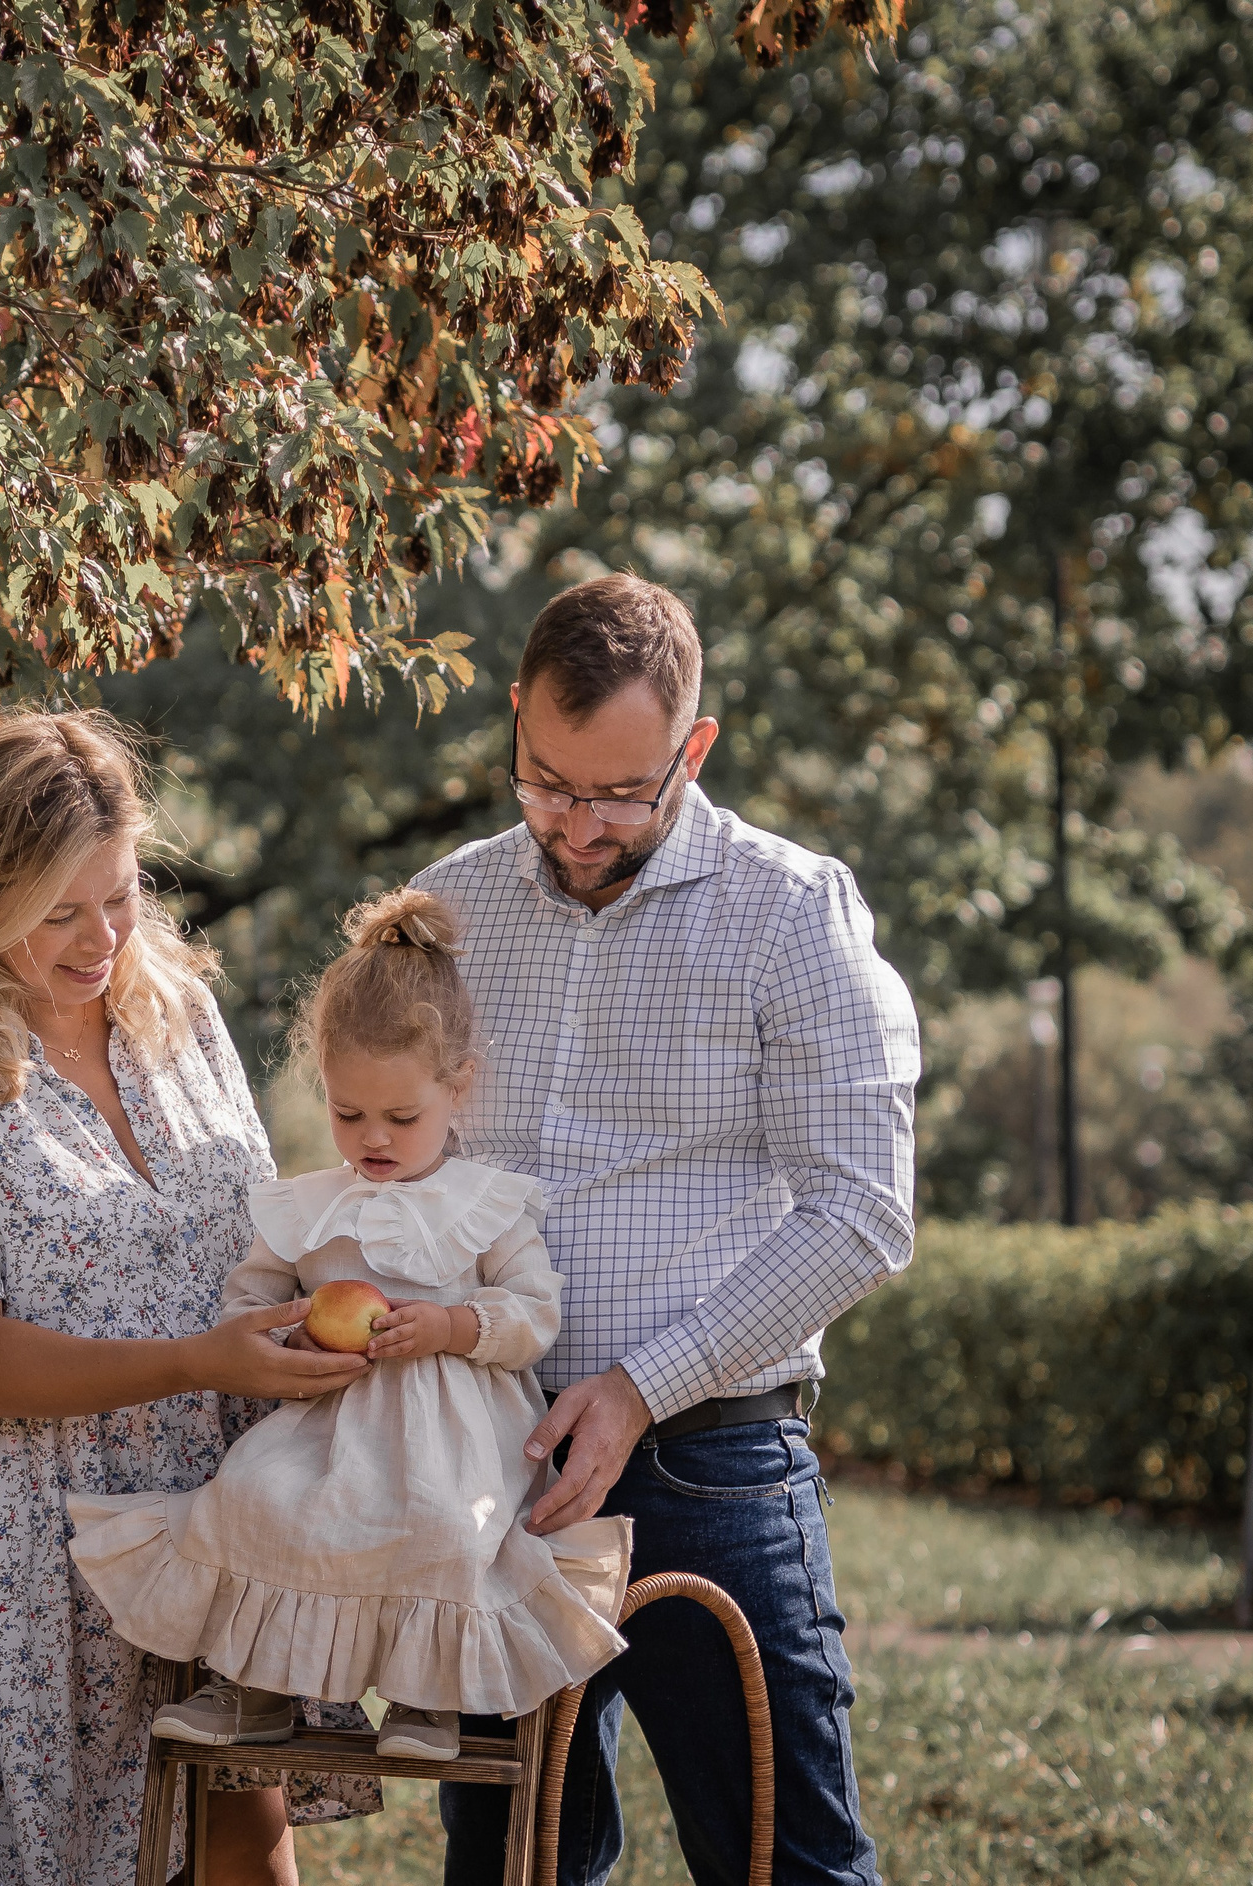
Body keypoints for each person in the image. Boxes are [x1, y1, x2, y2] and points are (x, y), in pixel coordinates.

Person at [418, 574, 921, 1885]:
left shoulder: (792, 909)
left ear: (692, 749)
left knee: (786, 1863)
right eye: (548, 781)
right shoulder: (444, 911)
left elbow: (863, 1207)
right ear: (516, 716)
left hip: (714, 1467)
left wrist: (641, 1389)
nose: (579, 826)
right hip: (498, 1467)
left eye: (623, 792)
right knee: (514, 1869)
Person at [0, 707, 381, 1886]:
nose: (101, 937)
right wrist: (200, 1359)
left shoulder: (177, 1016)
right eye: (60, 909)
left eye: (120, 894)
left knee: (244, 1830)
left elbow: (255, 1219)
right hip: (21, 1544)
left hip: (210, 1505)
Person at [64, 886, 633, 1761]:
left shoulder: (485, 1204)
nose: (373, 1137)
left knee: (447, 1530)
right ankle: (252, 1694)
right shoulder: (306, 1207)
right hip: (326, 1427)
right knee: (252, 1501)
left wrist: (450, 1327)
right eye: (347, 1113)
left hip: (450, 1441)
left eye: (401, 1118)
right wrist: (288, 1334)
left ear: (458, 1086)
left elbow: (533, 1316)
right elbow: (250, 1299)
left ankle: (426, 1700)